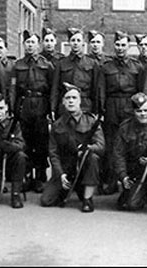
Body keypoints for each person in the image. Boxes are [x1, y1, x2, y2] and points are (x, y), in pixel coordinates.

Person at [98, 31, 147, 195]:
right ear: (114, 46)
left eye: (123, 45)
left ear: (128, 46)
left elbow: (142, 90)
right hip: (112, 107)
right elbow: (101, 90)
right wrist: (102, 110)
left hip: (130, 106)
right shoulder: (106, 67)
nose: (120, 48)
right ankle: (113, 180)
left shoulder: (137, 67)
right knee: (113, 144)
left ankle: (132, 180)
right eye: (117, 45)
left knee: (132, 143)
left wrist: (141, 110)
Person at [41, 83, 105, 212]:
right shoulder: (57, 125)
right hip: (66, 168)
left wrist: (87, 149)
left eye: (74, 98)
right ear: (63, 102)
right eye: (68, 98)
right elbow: (53, 153)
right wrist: (60, 174)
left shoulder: (91, 121)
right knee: (47, 201)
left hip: (84, 168)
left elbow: (101, 146)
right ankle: (68, 187)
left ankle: (87, 199)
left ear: (80, 101)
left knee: (93, 158)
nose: (71, 101)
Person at [10, 30, 54, 193]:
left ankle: (40, 177)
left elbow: (52, 89)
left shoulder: (47, 65)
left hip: (41, 104)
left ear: (38, 45)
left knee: (41, 142)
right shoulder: (18, 65)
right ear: (24, 45)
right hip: (24, 105)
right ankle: (27, 176)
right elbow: (13, 87)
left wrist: (51, 109)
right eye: (27, 43)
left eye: (33, 42)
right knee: (26, 142)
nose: (30, 45)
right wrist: (13, 107)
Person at [50, 28, 99, 118]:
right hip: (66, 105)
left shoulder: (92, 63)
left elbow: (95, 89)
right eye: (73, 40)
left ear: (83, 43)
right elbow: (55, 88)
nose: (75, 43)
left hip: (85, 106)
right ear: (69, 42)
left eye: (78, 40)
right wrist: (53, 108)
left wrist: (96, 110)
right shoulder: (61, 63)